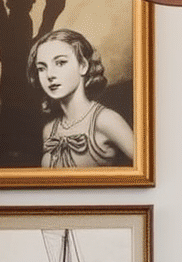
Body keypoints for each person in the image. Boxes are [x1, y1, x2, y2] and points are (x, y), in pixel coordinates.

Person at [27, 29, 135, 168]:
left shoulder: (106, 120)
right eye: (41, 68)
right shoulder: (49, 130)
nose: (49, 75)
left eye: (60, 63)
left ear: (83, 66)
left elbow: (149, 170)